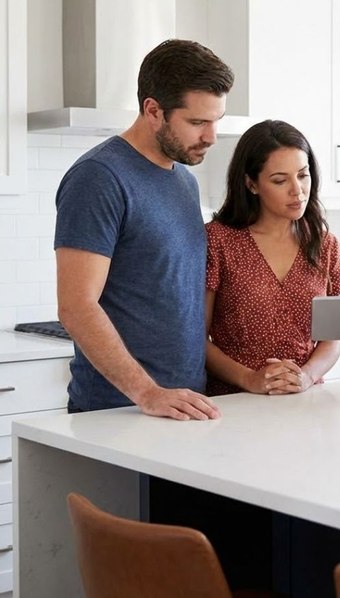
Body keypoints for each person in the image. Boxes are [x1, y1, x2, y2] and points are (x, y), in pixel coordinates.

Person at [55, 39, 234, 419]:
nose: (211, 137)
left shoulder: (184, 180)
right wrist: (147, 393)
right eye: (198, 122)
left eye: (216, 120)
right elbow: (76, 306)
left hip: (185, 406)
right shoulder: (99, 178)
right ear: (153, 110)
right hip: (117, 412)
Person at [205, 120, 340, 395]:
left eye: (303, 175)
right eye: (280, 180)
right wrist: (250, 379)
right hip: (234, 404)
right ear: (251, 184)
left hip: (305, 404)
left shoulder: (325, 245)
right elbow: (197, 340)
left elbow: (331, 340)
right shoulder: (217, 241)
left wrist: (306, 376)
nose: (297, 190)